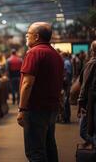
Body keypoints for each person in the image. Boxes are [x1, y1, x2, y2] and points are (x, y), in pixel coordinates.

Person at [17, 22, 64, 162]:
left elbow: (27, 83)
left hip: (35, 109)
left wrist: (22, 109)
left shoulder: (34, 53)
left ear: (36, 37)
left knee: (35, 151)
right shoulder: (55, 55)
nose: (26, 36)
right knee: (49, 147)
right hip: (51, 108)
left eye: (28, 33)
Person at [77, 40, 96, 159]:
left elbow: (85, 85)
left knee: (84, 130)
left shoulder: (92, 62)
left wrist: (80, 103)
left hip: (93, 103)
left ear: (93, 51)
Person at [61, 52, 72, 123]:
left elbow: (66, 76)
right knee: (66, 102)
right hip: (67, 85)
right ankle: (67, 117)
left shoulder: (66, 63)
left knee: (65, 102)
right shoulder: (68, 62)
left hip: (66, 85)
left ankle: (66, 118)